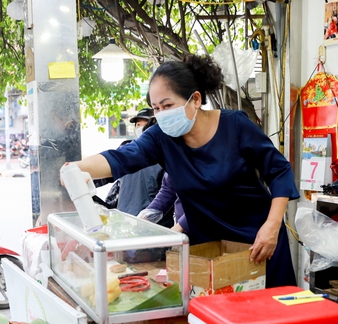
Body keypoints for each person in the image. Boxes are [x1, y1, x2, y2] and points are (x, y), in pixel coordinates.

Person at [67, 54, 300, 287]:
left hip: (260, 244)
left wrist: (272, 226)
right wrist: (76, 168)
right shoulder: (161, 138)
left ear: (196, 99)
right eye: (156, 108)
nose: (162, 114)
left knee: (270, 316)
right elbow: (121, 157)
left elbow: (279, 171)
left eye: (168, 105)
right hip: (210, 251)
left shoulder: (236, 126)